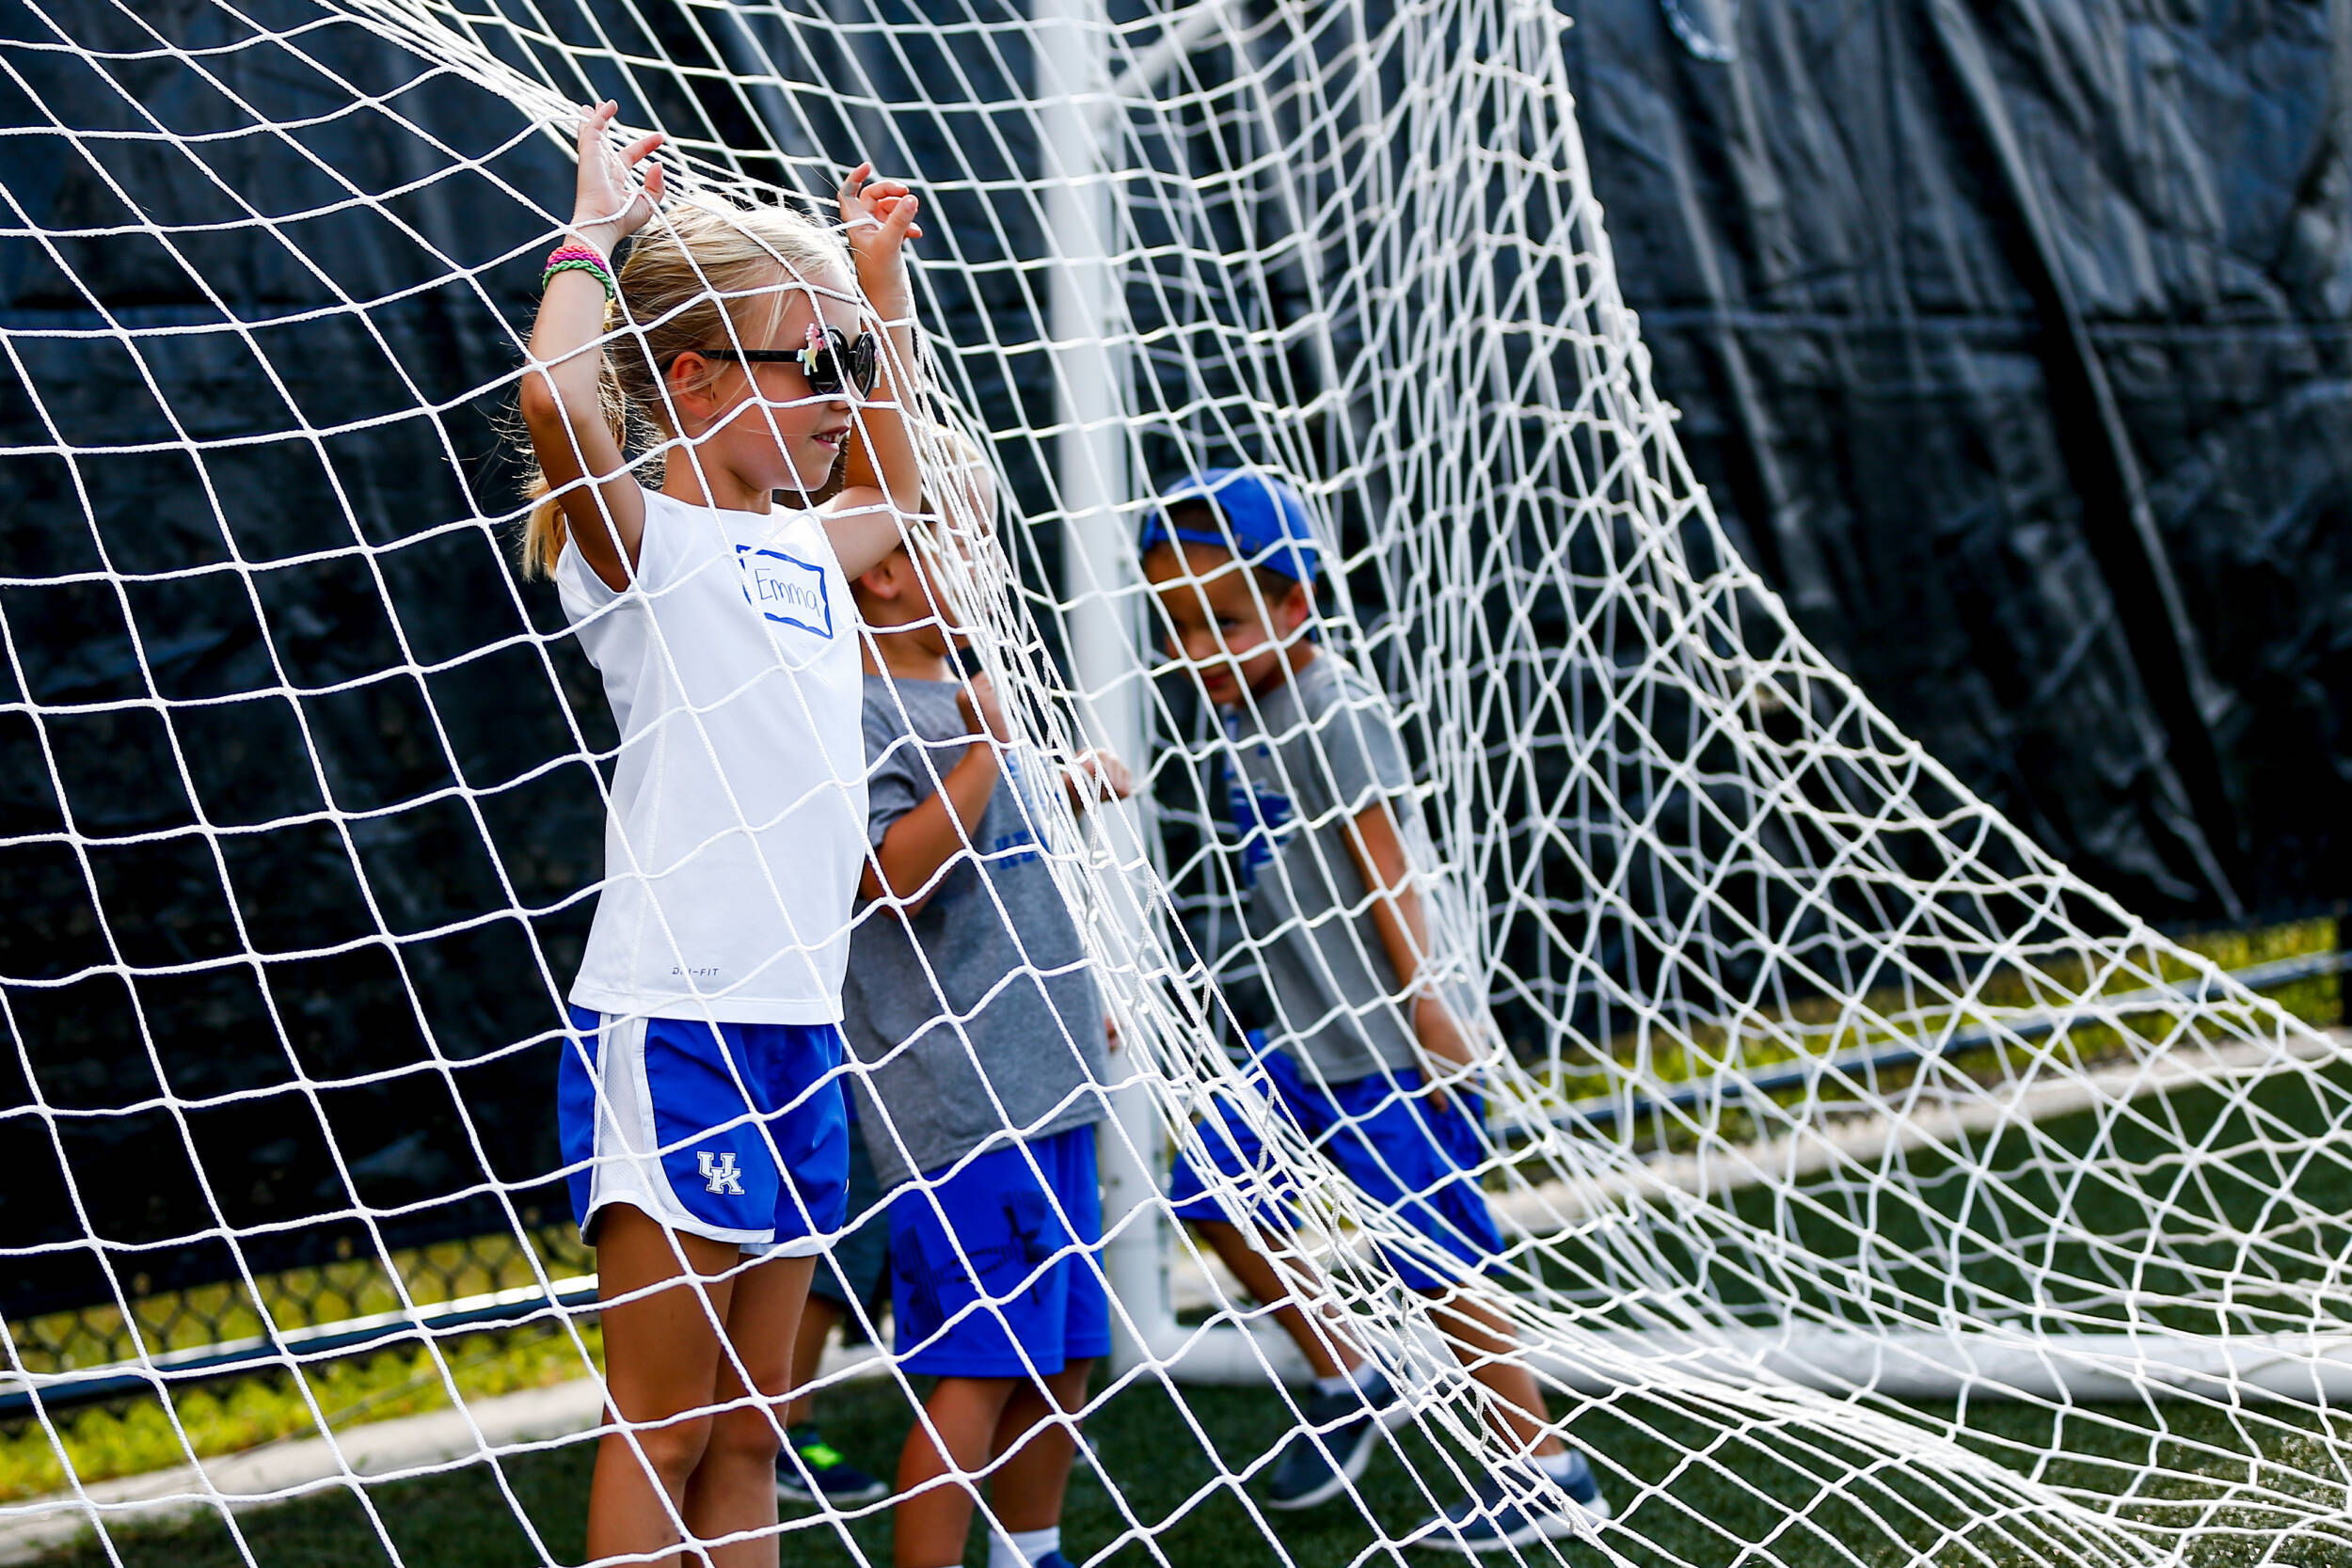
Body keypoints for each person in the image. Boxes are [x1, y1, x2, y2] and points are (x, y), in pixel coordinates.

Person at [518, 99, 926, 1567]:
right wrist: (598, 229)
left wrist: (872, 301)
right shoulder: (644, 547)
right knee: (667, 1425)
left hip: (797, 1032)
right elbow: (563, 405)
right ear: (692, 384)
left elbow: (902, 483)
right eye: (810, 363)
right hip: (676, 1026)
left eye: (849, 368)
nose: (839, 390)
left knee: (753, 1431)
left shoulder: (810, 545)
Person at [1141, 469, 1612, 1552]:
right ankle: (1349, 1369)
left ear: (1295, 605)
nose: (1199, 645)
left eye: (1223, 617)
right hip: (1302, 1043)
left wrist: (1430, 1009)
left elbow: (1384, 864)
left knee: (1434, 1257)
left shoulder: (1330, 703)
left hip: (1387, 1043)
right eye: (1178, 623)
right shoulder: (1243, 712)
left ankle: (1545, 1468)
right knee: (1207, 1187)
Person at [842, 438, 1133, 1568]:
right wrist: (988, 753)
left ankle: (1031, 1548)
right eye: (964, 538)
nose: (990, 562)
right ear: (886, 568)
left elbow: (1005, 850)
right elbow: (893, 874)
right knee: (977, 1369)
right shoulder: (862, 708)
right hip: (963, 1110)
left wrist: (1044, 779)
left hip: (1046, 1074)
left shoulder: (951, 691)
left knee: (1064, 1354)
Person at [771, 1107, 893, 1506]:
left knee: (827, 1265)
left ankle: (779, 1434)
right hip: (840, 1102)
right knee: (826, 1268)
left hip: (847, 1102)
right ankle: (784, 1439)